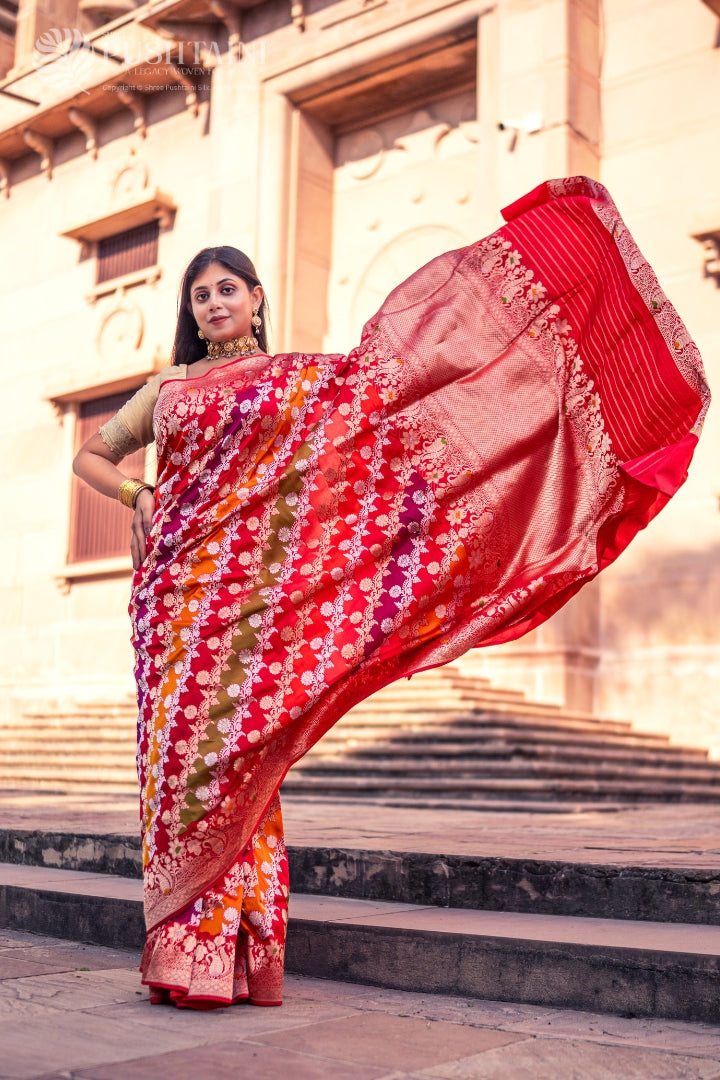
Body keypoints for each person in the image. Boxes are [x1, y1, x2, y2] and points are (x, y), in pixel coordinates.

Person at [73, 175, 710, 1010]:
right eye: (201, 295)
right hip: (173, 603)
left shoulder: (296, 381)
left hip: (253, 606)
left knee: (241, 762)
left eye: (227, 289)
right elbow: (90, 455)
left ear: (256, 300)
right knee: (174, 769)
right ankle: (180, 950)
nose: (214, 303)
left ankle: (226, 954)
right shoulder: (169, 389)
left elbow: (377, 405)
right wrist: (141, 494)